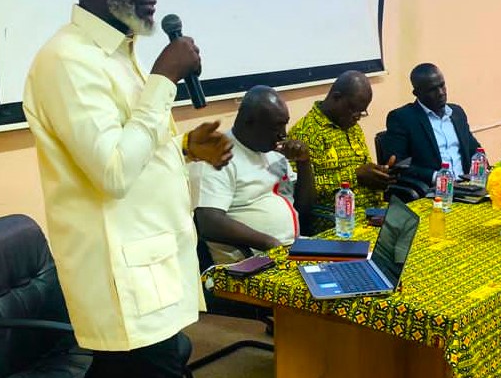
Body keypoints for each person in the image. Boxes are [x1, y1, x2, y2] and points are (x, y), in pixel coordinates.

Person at [23, 0, 233, 378]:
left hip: (149, 269)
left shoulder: (118, 54)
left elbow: (128, 148)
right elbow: (112, 171)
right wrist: (163, 80)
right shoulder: (67, 61)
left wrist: (184, 149)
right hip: (123, 282)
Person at [190, 86, 315, 264]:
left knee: (348, 268)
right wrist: (269, 243)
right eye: (276, 126)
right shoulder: (216, 155)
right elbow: (209, 223)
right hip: (251, 262)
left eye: (285, 124)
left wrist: (304, 163)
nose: (283, 134)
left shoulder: (273, 151)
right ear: (248, 122)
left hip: (291, 249)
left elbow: (304, 207)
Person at [287, 70, 395, 212]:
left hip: (375, 210)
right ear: (336, 97)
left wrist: (380, 176)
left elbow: (365, 173)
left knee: (413, 220)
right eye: (354, 110)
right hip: (341, 218)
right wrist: (355, 176)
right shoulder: (305, 133)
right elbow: (301, 192)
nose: (357, 117)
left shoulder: (352, 126)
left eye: (362, 112)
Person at [382, 63, 482, 185]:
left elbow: (475, 150)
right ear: (416, 93)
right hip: (433, 190)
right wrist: (437, 178)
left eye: (442, 85)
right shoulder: (402, 118)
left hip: (467, 186)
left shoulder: (457, 113)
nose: (441, 92)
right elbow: (399, 165)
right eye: (432, 89)